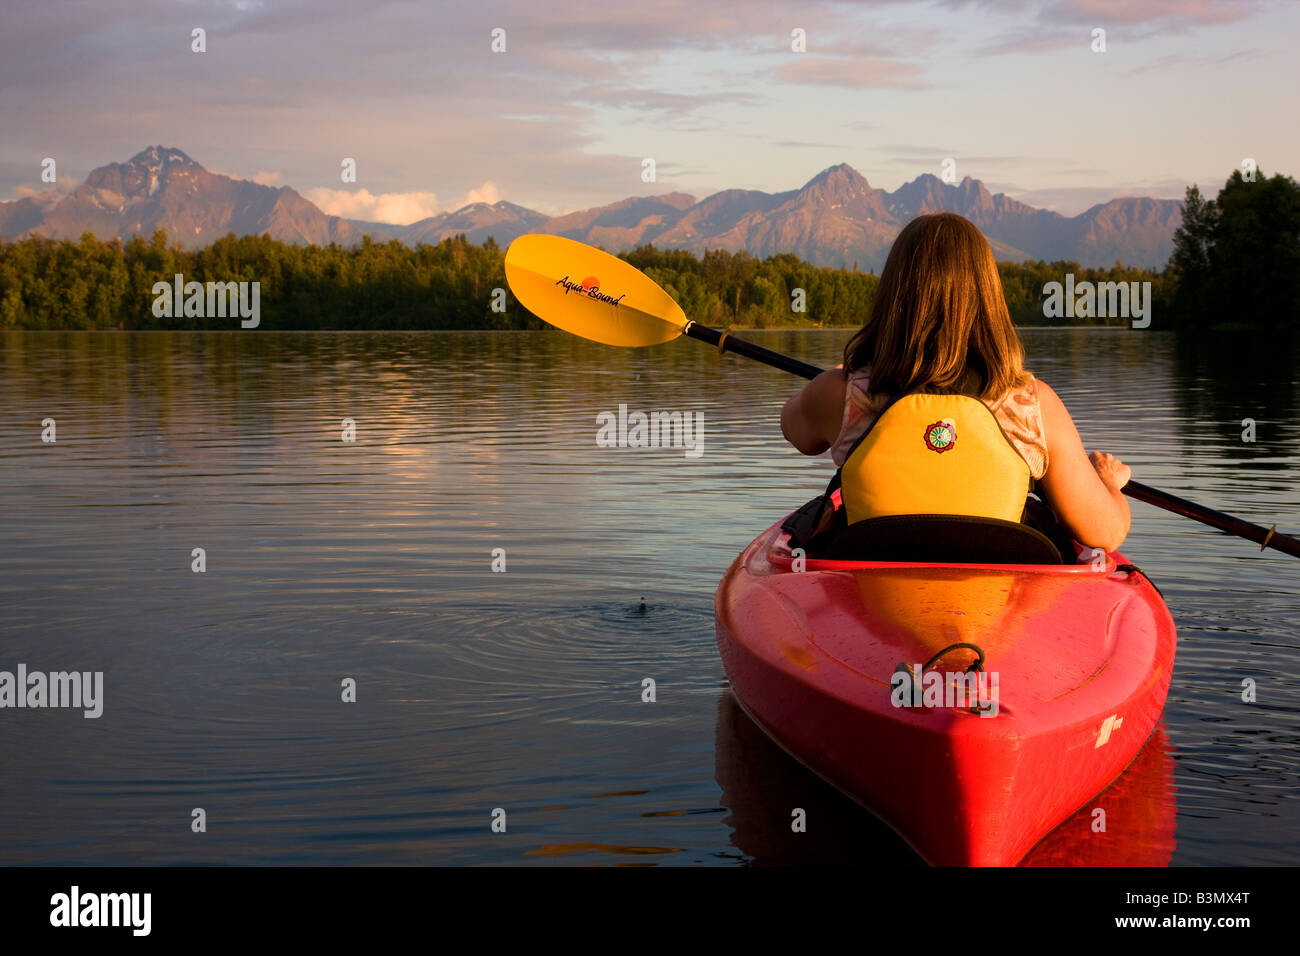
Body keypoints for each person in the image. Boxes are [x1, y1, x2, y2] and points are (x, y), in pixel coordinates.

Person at [780, 213, 1132, 554]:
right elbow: (1107, 533)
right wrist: (1109, 484)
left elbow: (794, 430)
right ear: (988, 297)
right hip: (995, 608)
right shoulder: (1033, 404)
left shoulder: (838, 394)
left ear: (893, 293)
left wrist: (839, 378)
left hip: (872, 600)